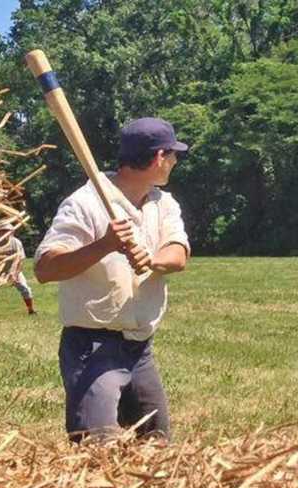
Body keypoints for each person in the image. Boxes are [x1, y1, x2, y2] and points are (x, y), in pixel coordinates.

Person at [34, 117, 190, 442]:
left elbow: (178, 254)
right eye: (174, 154)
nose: (176, 161)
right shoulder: (85, 203)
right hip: (91, 347)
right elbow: (46, 269)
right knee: (96, 448)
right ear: (160, 157)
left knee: (155, 446)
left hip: (140, 349)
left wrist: (152, 259)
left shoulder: (163, 203)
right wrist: (103, 246)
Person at [0, 223, 37, 315]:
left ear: (12, 232)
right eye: (3, 231)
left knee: (25, 289)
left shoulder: (16, 242)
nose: (5, 233)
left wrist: (15, 273)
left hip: (12, 269)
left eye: (7, 231)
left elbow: (20, 260)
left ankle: (31, 310)